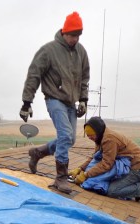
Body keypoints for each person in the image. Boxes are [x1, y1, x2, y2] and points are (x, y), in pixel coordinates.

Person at [20, 11, 90, 194]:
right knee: (66, 135)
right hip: (54, 99)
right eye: (72, 35)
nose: (75, 39)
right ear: (64, 32)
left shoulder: (81, 52)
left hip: (70, 101)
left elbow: (85, 77)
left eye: (78, 36)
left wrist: (83, 99)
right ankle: (60, 178)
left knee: (69, 139)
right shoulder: (49, 50)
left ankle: (38, 153)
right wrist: (27, 103)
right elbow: (34, 74)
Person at [70, 116, 140, 205]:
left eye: (91, 135)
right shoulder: (100, 137)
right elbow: (95, 157)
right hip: (126, 166)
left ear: (98, 132)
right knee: (104, 182)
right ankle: (132, 186)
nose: (90, 137)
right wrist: (80, 169)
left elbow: (106, 164)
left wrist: (86, 175)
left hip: (136, 168)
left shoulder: (109, 139)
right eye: (88, 135)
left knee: (112, 191)